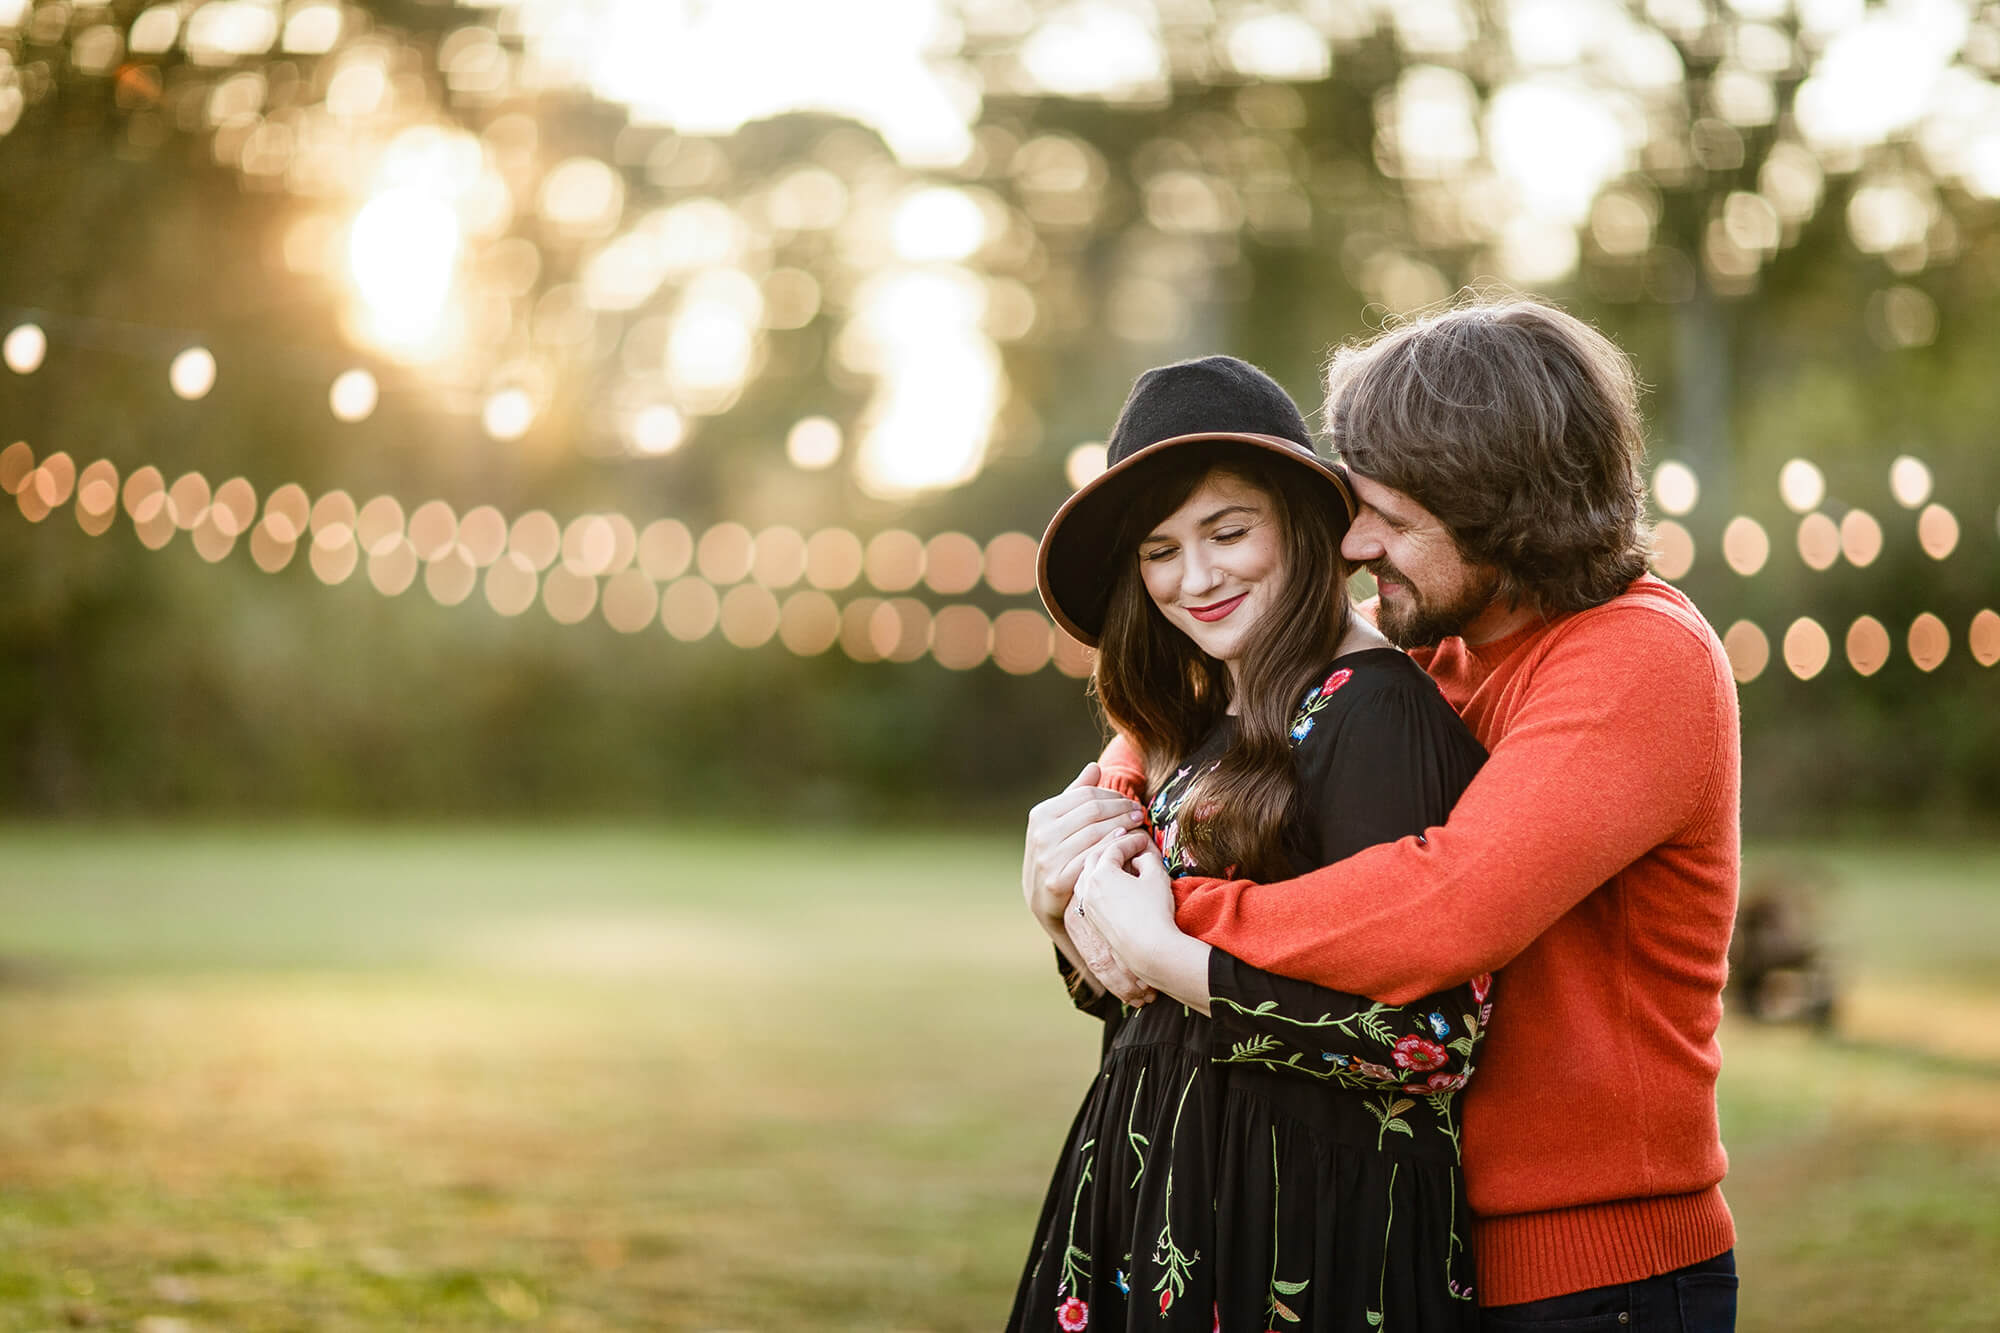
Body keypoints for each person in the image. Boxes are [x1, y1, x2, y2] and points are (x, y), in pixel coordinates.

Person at [1068, 299, 1742, 1332]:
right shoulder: (1439, 631)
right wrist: (1094, 832)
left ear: (1497, 510)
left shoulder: (1638, 661)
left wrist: (1162, 924)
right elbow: (1195, 727)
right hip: (1440, 1242)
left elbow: (1445, 902)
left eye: (1388, 514)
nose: (1352, 539)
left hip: (1595, 1273)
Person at [1011, 354, 1491, 1332]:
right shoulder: (1199, 727)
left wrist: (1163, 953)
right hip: (1155, 1200)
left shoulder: (1375, 714)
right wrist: (1059, 918)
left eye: (1227, 532)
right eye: (1158, 550)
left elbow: (1426, 1044)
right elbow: (1151, 1003)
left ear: (1303, 523)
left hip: (1296, 1233)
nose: (1195, 578)